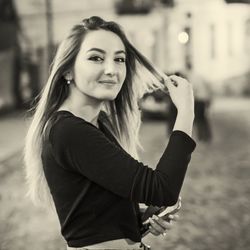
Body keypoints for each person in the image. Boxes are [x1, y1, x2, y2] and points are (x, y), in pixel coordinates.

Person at [24, 16, 196, 250]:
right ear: (67, 71)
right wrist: (186, 112)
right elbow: (161, 189)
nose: (111, 69)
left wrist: (136, 217)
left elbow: (90, 215)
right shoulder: (69, 131)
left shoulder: (95, 124)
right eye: (96, 58)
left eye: (119, 59)